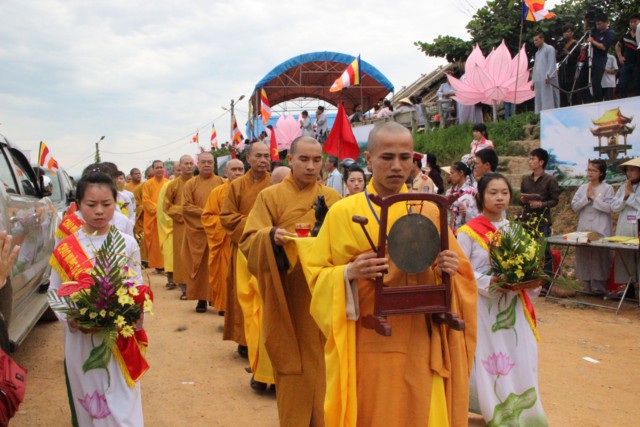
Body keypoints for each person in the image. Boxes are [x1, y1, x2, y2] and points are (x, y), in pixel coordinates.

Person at [307, 122, 477, 426]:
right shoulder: (343, 213)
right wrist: (348, 272)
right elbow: (317, 277)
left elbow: (463, 278)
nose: (397, 166)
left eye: (405, 157)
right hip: (369, 341)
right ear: (369, 160)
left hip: (420, 340)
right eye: (387, 157)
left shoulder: (428, 210)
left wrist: (449, 270)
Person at [240, 136, 341, 426]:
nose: (311, 166)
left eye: (317, 160)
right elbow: (249, 240)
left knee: (326, 366)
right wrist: (271, 236)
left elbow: (347, 242)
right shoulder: (269, 197)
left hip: (324, 294)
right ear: (290, 159)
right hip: (287, 294)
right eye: (304, 159)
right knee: (292, 365)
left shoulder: (333, 199)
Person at [48, 172, 148, 426]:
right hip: (82, 342)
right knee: (92, 406)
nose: (99, 211)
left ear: (116, 203)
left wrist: (133, 312)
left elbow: (137, 285)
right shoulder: (65, 248)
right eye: (91, 204)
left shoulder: (127, 244)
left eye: (107, 204)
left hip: (119, 339)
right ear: (78, 205)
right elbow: (54, 291)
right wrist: (72, 319)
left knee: (124, 405)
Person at [457, 173, 548, 426]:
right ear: (480, 196)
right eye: (493, 192)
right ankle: (494, 411)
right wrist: (490, 282)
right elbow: (460, 272)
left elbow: (527, 269)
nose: (500, 198)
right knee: (491, 358)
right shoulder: (467, 232)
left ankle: (525, 413)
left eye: (504, 193)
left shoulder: (516, 230)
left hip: (514, 307)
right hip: (484, 309)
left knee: (521, 354)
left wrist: (531, 281)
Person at [220, 143, 271, 358]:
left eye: (266, 156)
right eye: (258, 156)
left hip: (268, 248)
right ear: (248, 159)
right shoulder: (237, 186)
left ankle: (265, 340)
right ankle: (244, 339)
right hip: (242, 247)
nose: (263, 160)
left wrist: (265, 230)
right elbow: (227, 217)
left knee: (266, 295)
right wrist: (254, 225)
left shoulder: (276, 183)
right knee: (243, 294)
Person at [182, 152, 224, 313]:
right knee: (200, 267)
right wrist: (207, 214)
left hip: (218, 231)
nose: (207, 165)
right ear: (198, 164)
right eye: (203, 162)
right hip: (198, 232)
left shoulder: (221, 182)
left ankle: (219, 300)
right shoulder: (190, 184)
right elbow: (186, 207)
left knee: (219, 267)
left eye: (210, 162)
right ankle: (201, 299)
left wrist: (215, 220)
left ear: (214, 164)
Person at [202, 159, 245, 314]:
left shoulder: (251, 191)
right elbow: (207, 217)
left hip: (246, 240)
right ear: (226, 172)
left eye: (240, 169)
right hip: (225, 241)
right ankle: (226, 306)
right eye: (234, 169)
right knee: (225, 274)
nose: (237, 173)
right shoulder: (217, 192)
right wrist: (228, 223)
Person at [571, 159, 614, 295]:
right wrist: (586, 198)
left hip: (600, 228)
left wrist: (594, 198)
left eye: (594, 170)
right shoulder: (583, 187)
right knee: (584, 257)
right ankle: (586, 287)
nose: (590, 173)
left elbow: (610, 208)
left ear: (601, 173)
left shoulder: (608, 188)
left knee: (599, 258)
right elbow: (574, 206)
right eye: (589, 170)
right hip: (584, 228)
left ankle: (599, 288)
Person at [520, 148, 560, 284]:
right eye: (529, 159)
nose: (530, 161)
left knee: (544, 253)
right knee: (527, 251)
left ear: (541, 162)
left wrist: (541, 204)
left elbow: (555, 201)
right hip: (527, 220)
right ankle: (529, 280)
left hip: (542, 221)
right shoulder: (526, 180)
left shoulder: (550, 180)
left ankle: (547, 283)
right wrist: (523, 200)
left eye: (533, 159)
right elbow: (520, 199)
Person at [164, 155, 195, 298]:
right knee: (182, 255)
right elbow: (166, 206)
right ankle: (184, 288)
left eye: (191, 163)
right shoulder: (173, 185)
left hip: (198, 224)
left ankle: (198, 288)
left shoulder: (198, 182)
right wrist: (184, 212)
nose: (189, 166)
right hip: (181, 225)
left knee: (197, 255)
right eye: (186, 163)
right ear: (180, 166)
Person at [610, 158, 640, 297]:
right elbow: (614, 206)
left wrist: (631, 195)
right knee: (625, 256)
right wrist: (626, 196)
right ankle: (629, 288)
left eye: (632, 170)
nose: (629, 173)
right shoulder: (623, 187)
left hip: (637, 226)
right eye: (627, 170)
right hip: (625, 225)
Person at [582, 14, 616, 103]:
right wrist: (586, 21)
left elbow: (604, 47)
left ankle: (598, 101)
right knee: (581, 81)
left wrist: (593, 41)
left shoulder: (610, 33)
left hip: (599, 61)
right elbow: (586, 34)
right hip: (590, 59)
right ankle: (589, 100)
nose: (598, 26)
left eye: (600, 24)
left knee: (596, 83)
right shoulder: (596, 31)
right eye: (597, 24)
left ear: (606, 22)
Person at [142, 160, 168, 272]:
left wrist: (164, 211)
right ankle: (158, 265)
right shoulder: (147, 184)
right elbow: (146, 200)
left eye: (161, 167)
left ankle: (167, 265)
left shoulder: (168, 183)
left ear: (164, 168)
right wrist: (158, 210)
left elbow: (170, 199)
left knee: (166, 241)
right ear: (153, 169)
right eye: (157, 168)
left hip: (165, 218)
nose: (159, 169)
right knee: (155, 243)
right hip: (153, 218)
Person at [157, 165, 177, 288]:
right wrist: (172, 221)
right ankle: (171, 279)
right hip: (172, 225)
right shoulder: (167, 186)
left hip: (189, 225)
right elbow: (162, 208)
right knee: (171, 253)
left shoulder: (192, 184)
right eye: (178, 170)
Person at [446, 161, 478, 235]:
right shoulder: (453, 191)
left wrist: (466, 213)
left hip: (466, 232)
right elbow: (453, 214)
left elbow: (476, 214)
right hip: (455, 231)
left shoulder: (472, 191)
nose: (450, 176)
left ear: (461, 173)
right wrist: (450, 233)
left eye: (452, 173)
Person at [532, 31, 560, 113]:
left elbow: (551, 63)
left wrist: (548, 76)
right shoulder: (537, 53)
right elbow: (535, 67)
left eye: (536, 40)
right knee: (539, 99)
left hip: (547, 79)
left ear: (542, 39)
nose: (535, 42)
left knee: (548, 98)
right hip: (538, 80)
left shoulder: (549, 49)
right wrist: (533, 81)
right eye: (534, 40)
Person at [615, 13, 639, 98]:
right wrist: (620, 56)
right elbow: (618, 45)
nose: (632, 24)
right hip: (627, 63)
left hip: (638, 63)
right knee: (622, 84)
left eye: (635, 21)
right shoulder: (626, 34)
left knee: (637, 85)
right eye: (631, 22)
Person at [557, 24, 580, 106]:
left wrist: (568, 53)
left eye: (568, 31)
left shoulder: (576, 44)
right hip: (563, 71)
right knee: (562, 92)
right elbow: (558, 57)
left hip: (571, 71)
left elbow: (577, 57)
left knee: (573, 92)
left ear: (572, 32)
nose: (566, 34)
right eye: (564, 32)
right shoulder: (562, 43)